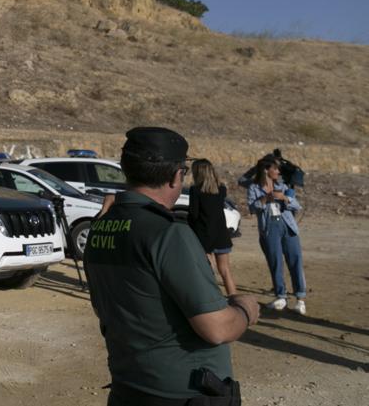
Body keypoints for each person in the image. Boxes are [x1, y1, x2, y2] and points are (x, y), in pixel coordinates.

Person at [86, 127, 258, 405]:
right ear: (176, 175)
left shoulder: (101, 227)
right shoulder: (168, 233)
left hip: (130, 387)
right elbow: (218, 329)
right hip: (181, 394)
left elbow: (103, 305)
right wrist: (245, 309)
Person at [246, 156, 307, 314]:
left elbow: (297, 206)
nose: (278, 172)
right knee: (275, 262)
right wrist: (265, 198)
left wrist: (284, 197)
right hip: (269, 227)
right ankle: (281, 296)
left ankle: (300, 299)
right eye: (275, 169)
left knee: (295, 260)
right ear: (267, 170)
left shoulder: (283, 185)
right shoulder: (254, 188)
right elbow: (252, 208)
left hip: (287, 225)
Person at [187, 159, 237, 295]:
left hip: (204, 236)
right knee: (225, 271)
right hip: (221, 234)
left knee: (209, 272)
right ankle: (235, 300)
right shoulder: (221, 189)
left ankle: (215, 300)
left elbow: (193, 214)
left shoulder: (195, 190)